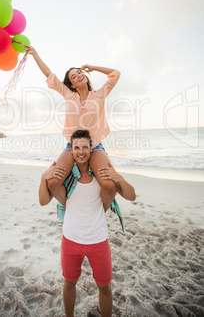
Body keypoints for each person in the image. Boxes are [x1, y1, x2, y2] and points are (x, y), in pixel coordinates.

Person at [39, 129, 136, 317]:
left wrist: (119, 178)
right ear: (71, 151)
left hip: (98, 242)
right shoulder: (66, 180)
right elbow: (43, 201)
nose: (81, 151)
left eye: (84, 146)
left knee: (105, 287)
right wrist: (43, 177)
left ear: (92, 149)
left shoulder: (103, 177)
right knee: (69, 283)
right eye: (76, 147)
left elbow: (132, 196)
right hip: (71, 241)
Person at [26, 45, 121, 211]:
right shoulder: (68, 94)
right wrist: (35, 54)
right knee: (53, 181)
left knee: (108, 184)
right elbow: (49, 74)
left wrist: (93, 67)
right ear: (71, 84)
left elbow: (115, 74)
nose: (79, 76)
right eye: (74, 77)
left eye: (80, 73)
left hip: (95, 145)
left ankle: (99, 212)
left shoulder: (100, 94)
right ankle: (71, 209)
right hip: (72, 146)